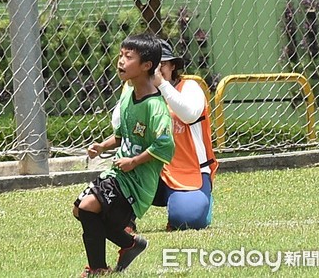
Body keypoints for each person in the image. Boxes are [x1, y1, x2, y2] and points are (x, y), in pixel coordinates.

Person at [73, 33, 175, 277]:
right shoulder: (129, 96)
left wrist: (134, 161)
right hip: (118, 173)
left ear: (147, 65)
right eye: (120, 55)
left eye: (128, 57)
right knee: (81, 209)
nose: (120, 61)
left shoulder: (155, 107)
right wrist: (102, 146)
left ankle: (98, 267)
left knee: (88, 207)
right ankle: (129, 244)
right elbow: (122, 135)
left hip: (136, 182)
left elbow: (165, 145)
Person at [127, 40, 218, 233]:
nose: (155, 71)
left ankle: (200, 201)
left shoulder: (190, 87)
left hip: (188, 171)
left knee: (188, 219)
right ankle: (126, 219)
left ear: (173, 66)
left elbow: (189, 114)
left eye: (162, 65)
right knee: (108, 203)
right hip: (150, 168)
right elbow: (119, 124)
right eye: (149, 66)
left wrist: (162, 85)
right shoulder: (136, 91)